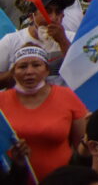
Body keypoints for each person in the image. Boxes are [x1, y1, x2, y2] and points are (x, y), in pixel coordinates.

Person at [0, 45, 86, 181]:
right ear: (13, 72)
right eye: (22, 67)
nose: (29, 71)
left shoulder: (67, 96)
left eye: (36, 65)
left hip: (61, 180)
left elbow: (82, 147)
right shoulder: (1, 102)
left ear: (46, 70)